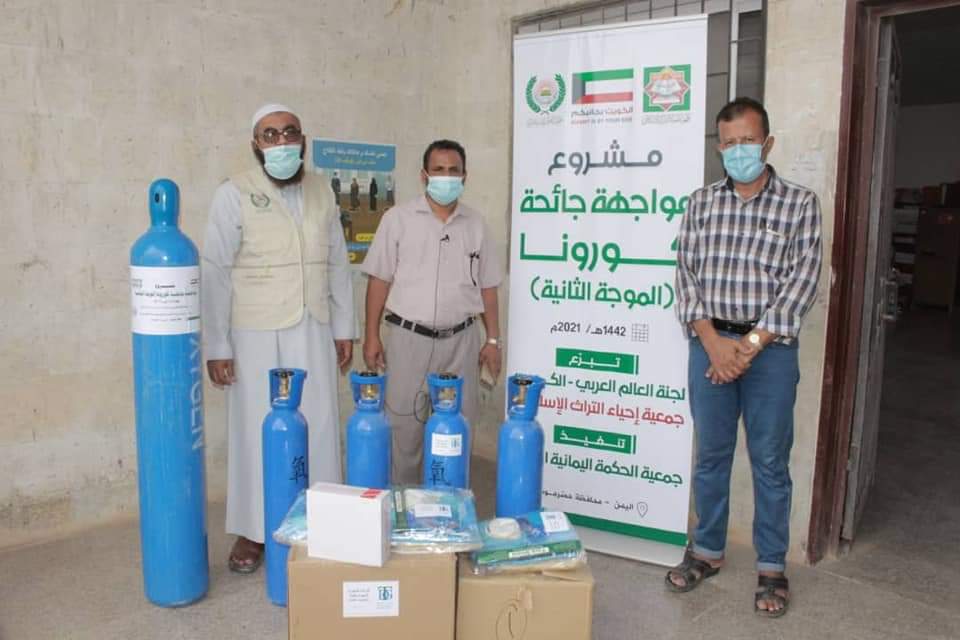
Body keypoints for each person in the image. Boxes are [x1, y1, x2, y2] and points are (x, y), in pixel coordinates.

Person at [667, 97, 822, 618]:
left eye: (748, 141)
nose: (739, 151)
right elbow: (685, 275)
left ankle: (772, 565)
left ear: (768, 143)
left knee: (770, 460)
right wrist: (714, 344)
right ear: (719, 148)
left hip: (770, 353)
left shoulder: (800, 204)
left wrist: (749, 347)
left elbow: (802, 283)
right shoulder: (701, 203)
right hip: (709, 345)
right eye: (729, 143)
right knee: (711, 455)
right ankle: (707, 551)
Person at [201, 104, 355, 574]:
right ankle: (254, 530)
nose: (282, 141)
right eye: (270, 135)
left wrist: (344, 328)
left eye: (290, 132)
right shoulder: (233, 193)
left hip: (313, 325)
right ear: (256, 144)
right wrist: (217, 345)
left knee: (319, 424)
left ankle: (321, 521)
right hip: (255, 332)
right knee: (256, 429)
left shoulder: (322, 190)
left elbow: (338, 262)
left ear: (303, 140)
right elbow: (215, 271)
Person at [361, 139, 503, 484]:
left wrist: (493, 340)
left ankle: (451, 506)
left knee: (457, 430)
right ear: (424, 176)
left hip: (462, 342)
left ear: (465, 176)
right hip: (408, 340)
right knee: (403, 431)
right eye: (439, 170)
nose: (446, 177)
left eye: (454, 170)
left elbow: (488, 287)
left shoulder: (476, 225)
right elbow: (379, 280)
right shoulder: (398, 219)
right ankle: (403, 503)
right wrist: (371, 336)